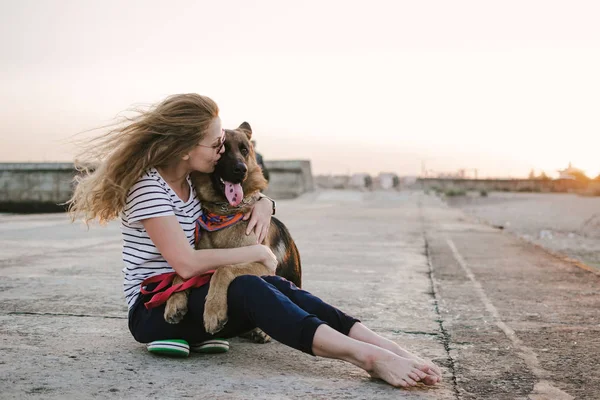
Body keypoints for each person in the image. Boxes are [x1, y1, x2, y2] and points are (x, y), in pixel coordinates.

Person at [68, 93, 441, 389]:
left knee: (279, 285)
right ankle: (367, 359)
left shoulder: (194, 186)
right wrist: (259, 250)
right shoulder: (149, 188)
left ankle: (385, 346)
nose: (222, 152)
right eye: (215, 144)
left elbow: (241, 196)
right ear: (185, 147)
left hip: (193, 299)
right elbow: (184, 263)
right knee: (250, 285)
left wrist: (265, 203)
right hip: (154, 312)